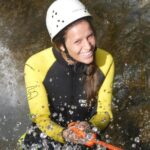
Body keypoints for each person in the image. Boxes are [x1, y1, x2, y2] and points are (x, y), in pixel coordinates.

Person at [18, 0, 114, 149]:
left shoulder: (106, 61)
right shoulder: (36, 65)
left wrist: (89, 126)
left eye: (90, 36)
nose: (88, 46)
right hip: (46, 137)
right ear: (61, 45)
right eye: (78, 41)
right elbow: (41, 118)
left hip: (85, 135)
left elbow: (105, 114)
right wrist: (64, 134)